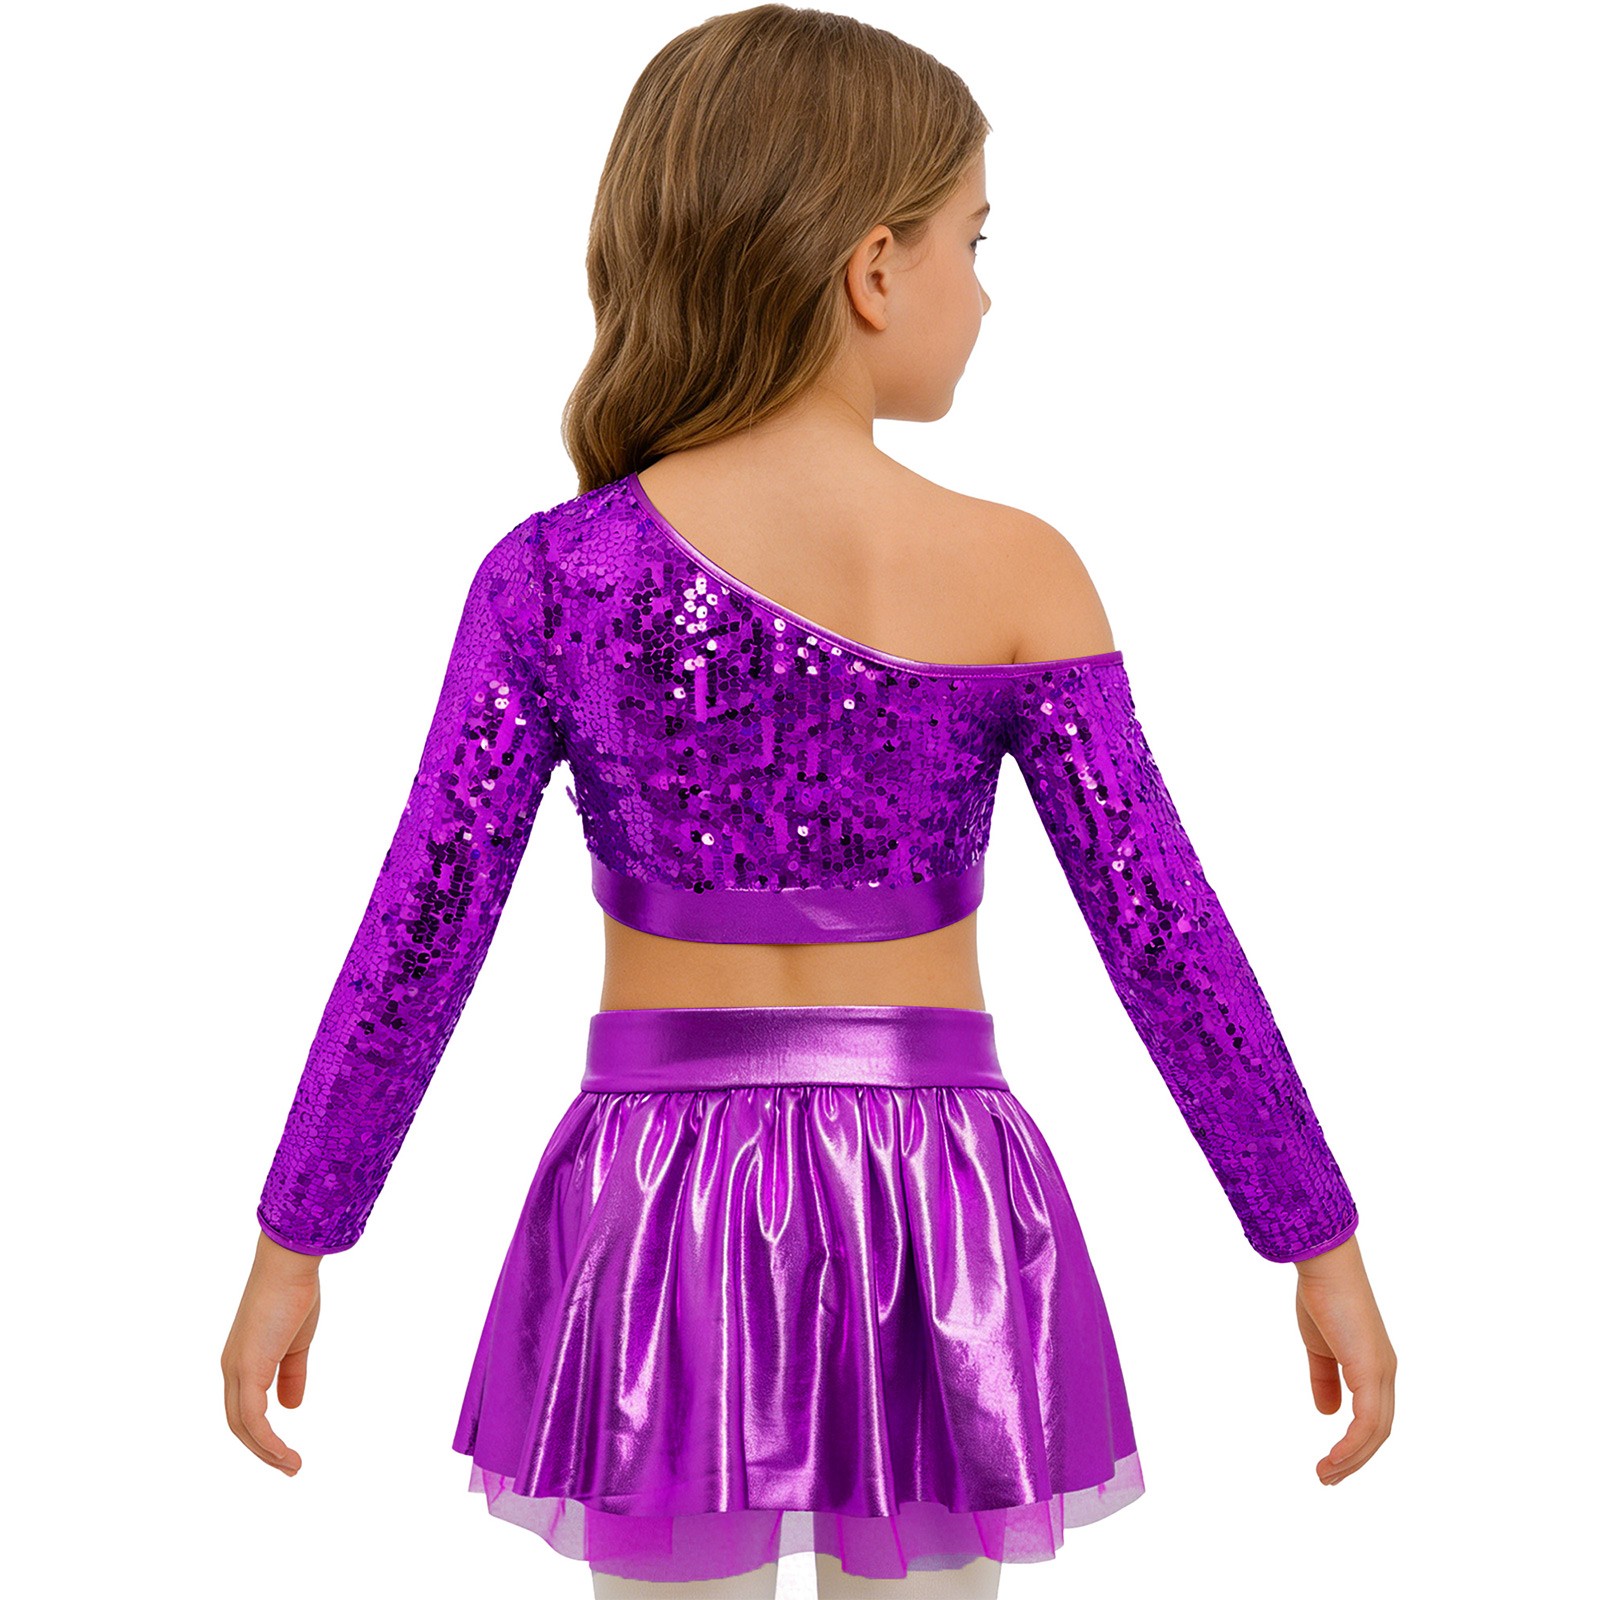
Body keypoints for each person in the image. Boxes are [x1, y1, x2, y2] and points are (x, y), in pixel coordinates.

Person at [220, 6, 1396, 1596]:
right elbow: (1164, 938)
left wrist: (297, 1239)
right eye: (976, 239)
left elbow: (418, 936)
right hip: (938, 1197)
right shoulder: (1015, 571)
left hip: (657, 1196)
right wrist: (1316, 1239)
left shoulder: (553, 575)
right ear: (874, 268)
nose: (987, 290)